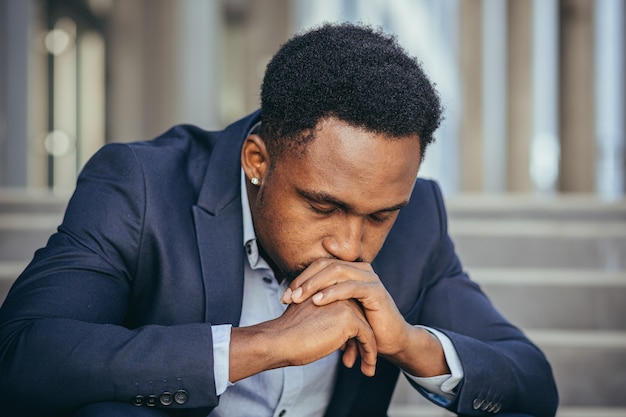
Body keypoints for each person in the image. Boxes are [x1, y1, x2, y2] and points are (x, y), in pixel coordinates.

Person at [0, 23, 558, 417]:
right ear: (257, 161)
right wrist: (262, 345)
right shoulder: (142, 185)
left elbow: (532, 382)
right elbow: (23, 356)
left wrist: (409, 344)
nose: (349, 246)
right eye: (323, 206)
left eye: (380, 216)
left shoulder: (418, 221)